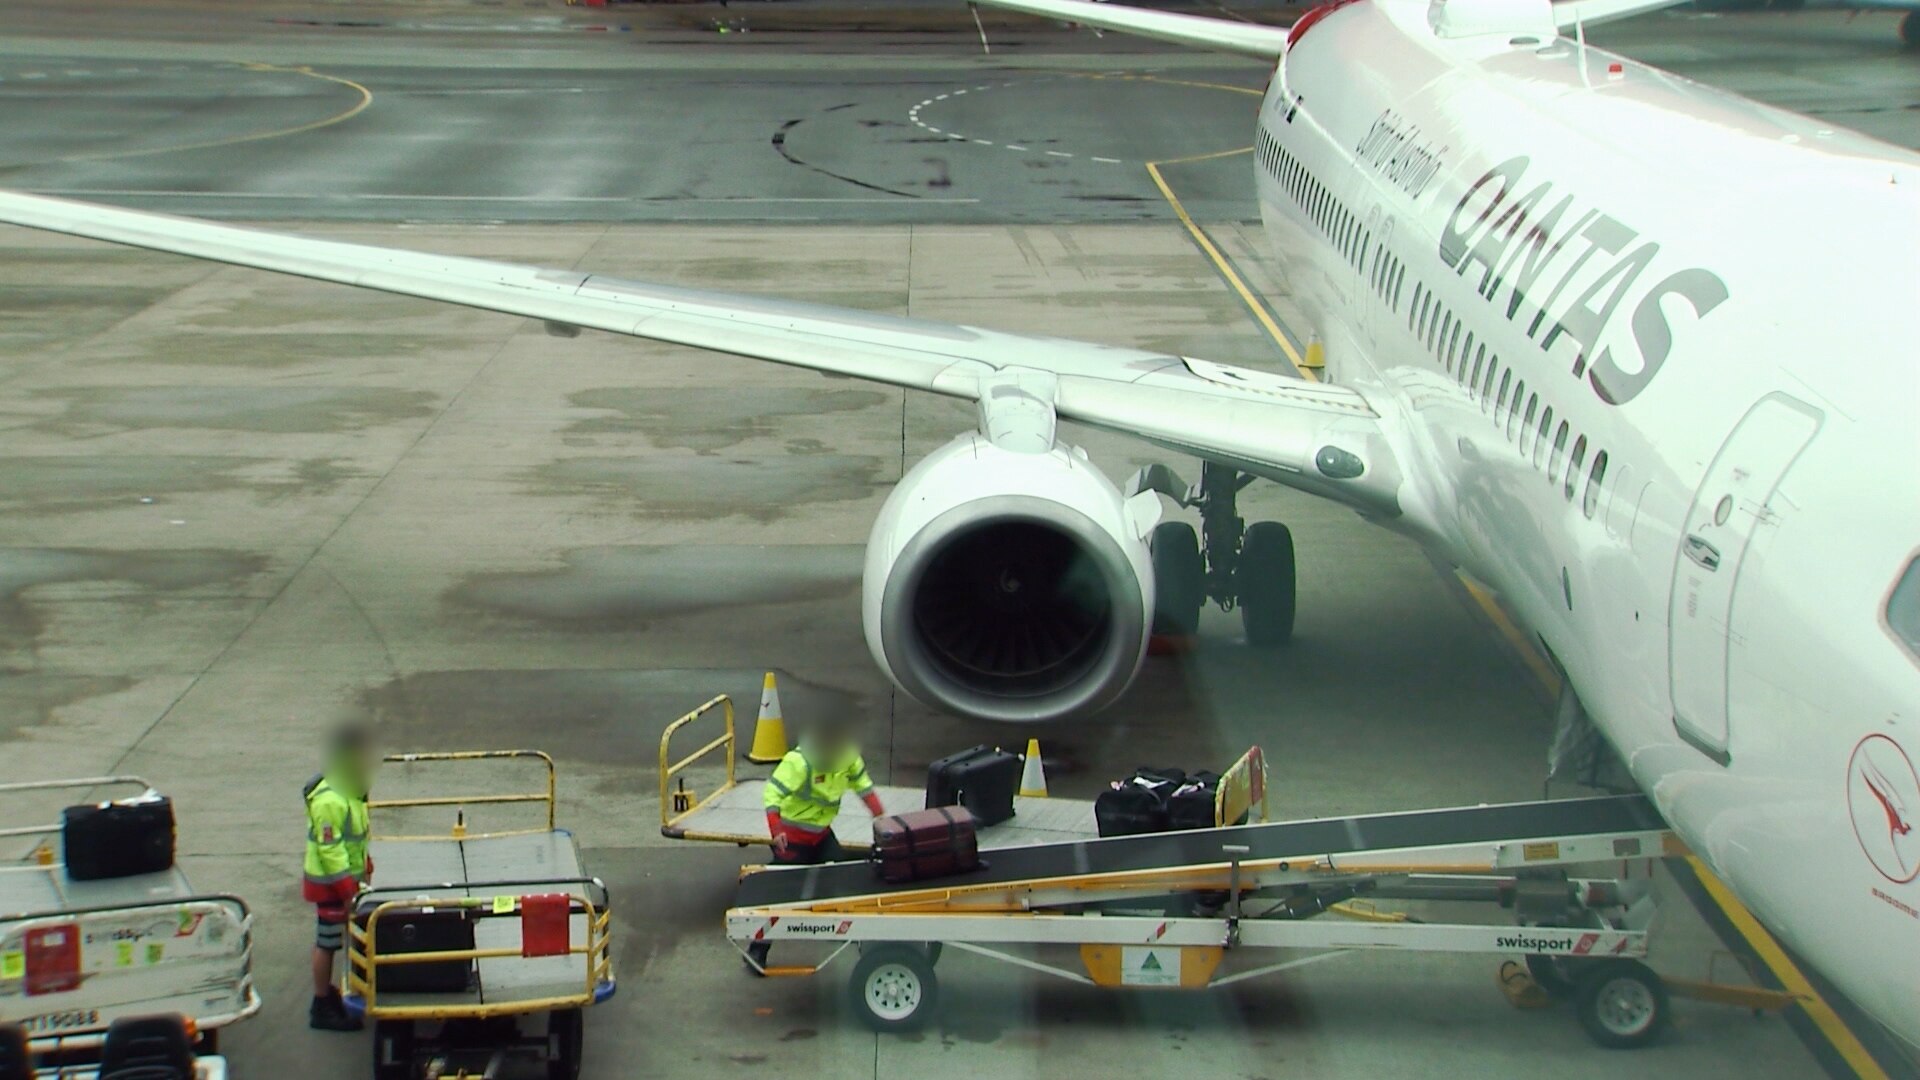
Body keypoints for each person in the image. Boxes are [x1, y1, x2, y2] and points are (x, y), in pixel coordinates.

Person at [747, 716, 885, 972]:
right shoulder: (799, 762)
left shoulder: (847, 756)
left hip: (821, 836)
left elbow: (862, 785)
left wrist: (879, 815)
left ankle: (848, 933)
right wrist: (776, 831)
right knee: (780, 896)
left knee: (845, 875)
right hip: (792, 841)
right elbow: (772, 794)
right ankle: (757, 951)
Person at [303, 723, 377, 1031]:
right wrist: (348, 890)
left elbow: (354, 838)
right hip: (333, 887)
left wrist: (365, 864)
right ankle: (321, 1003)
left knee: (338, 939)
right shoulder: (331, 800)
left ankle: (327, 996)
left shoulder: (350, 790)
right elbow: (330, 850)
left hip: (346, 882)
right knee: (328, 941)